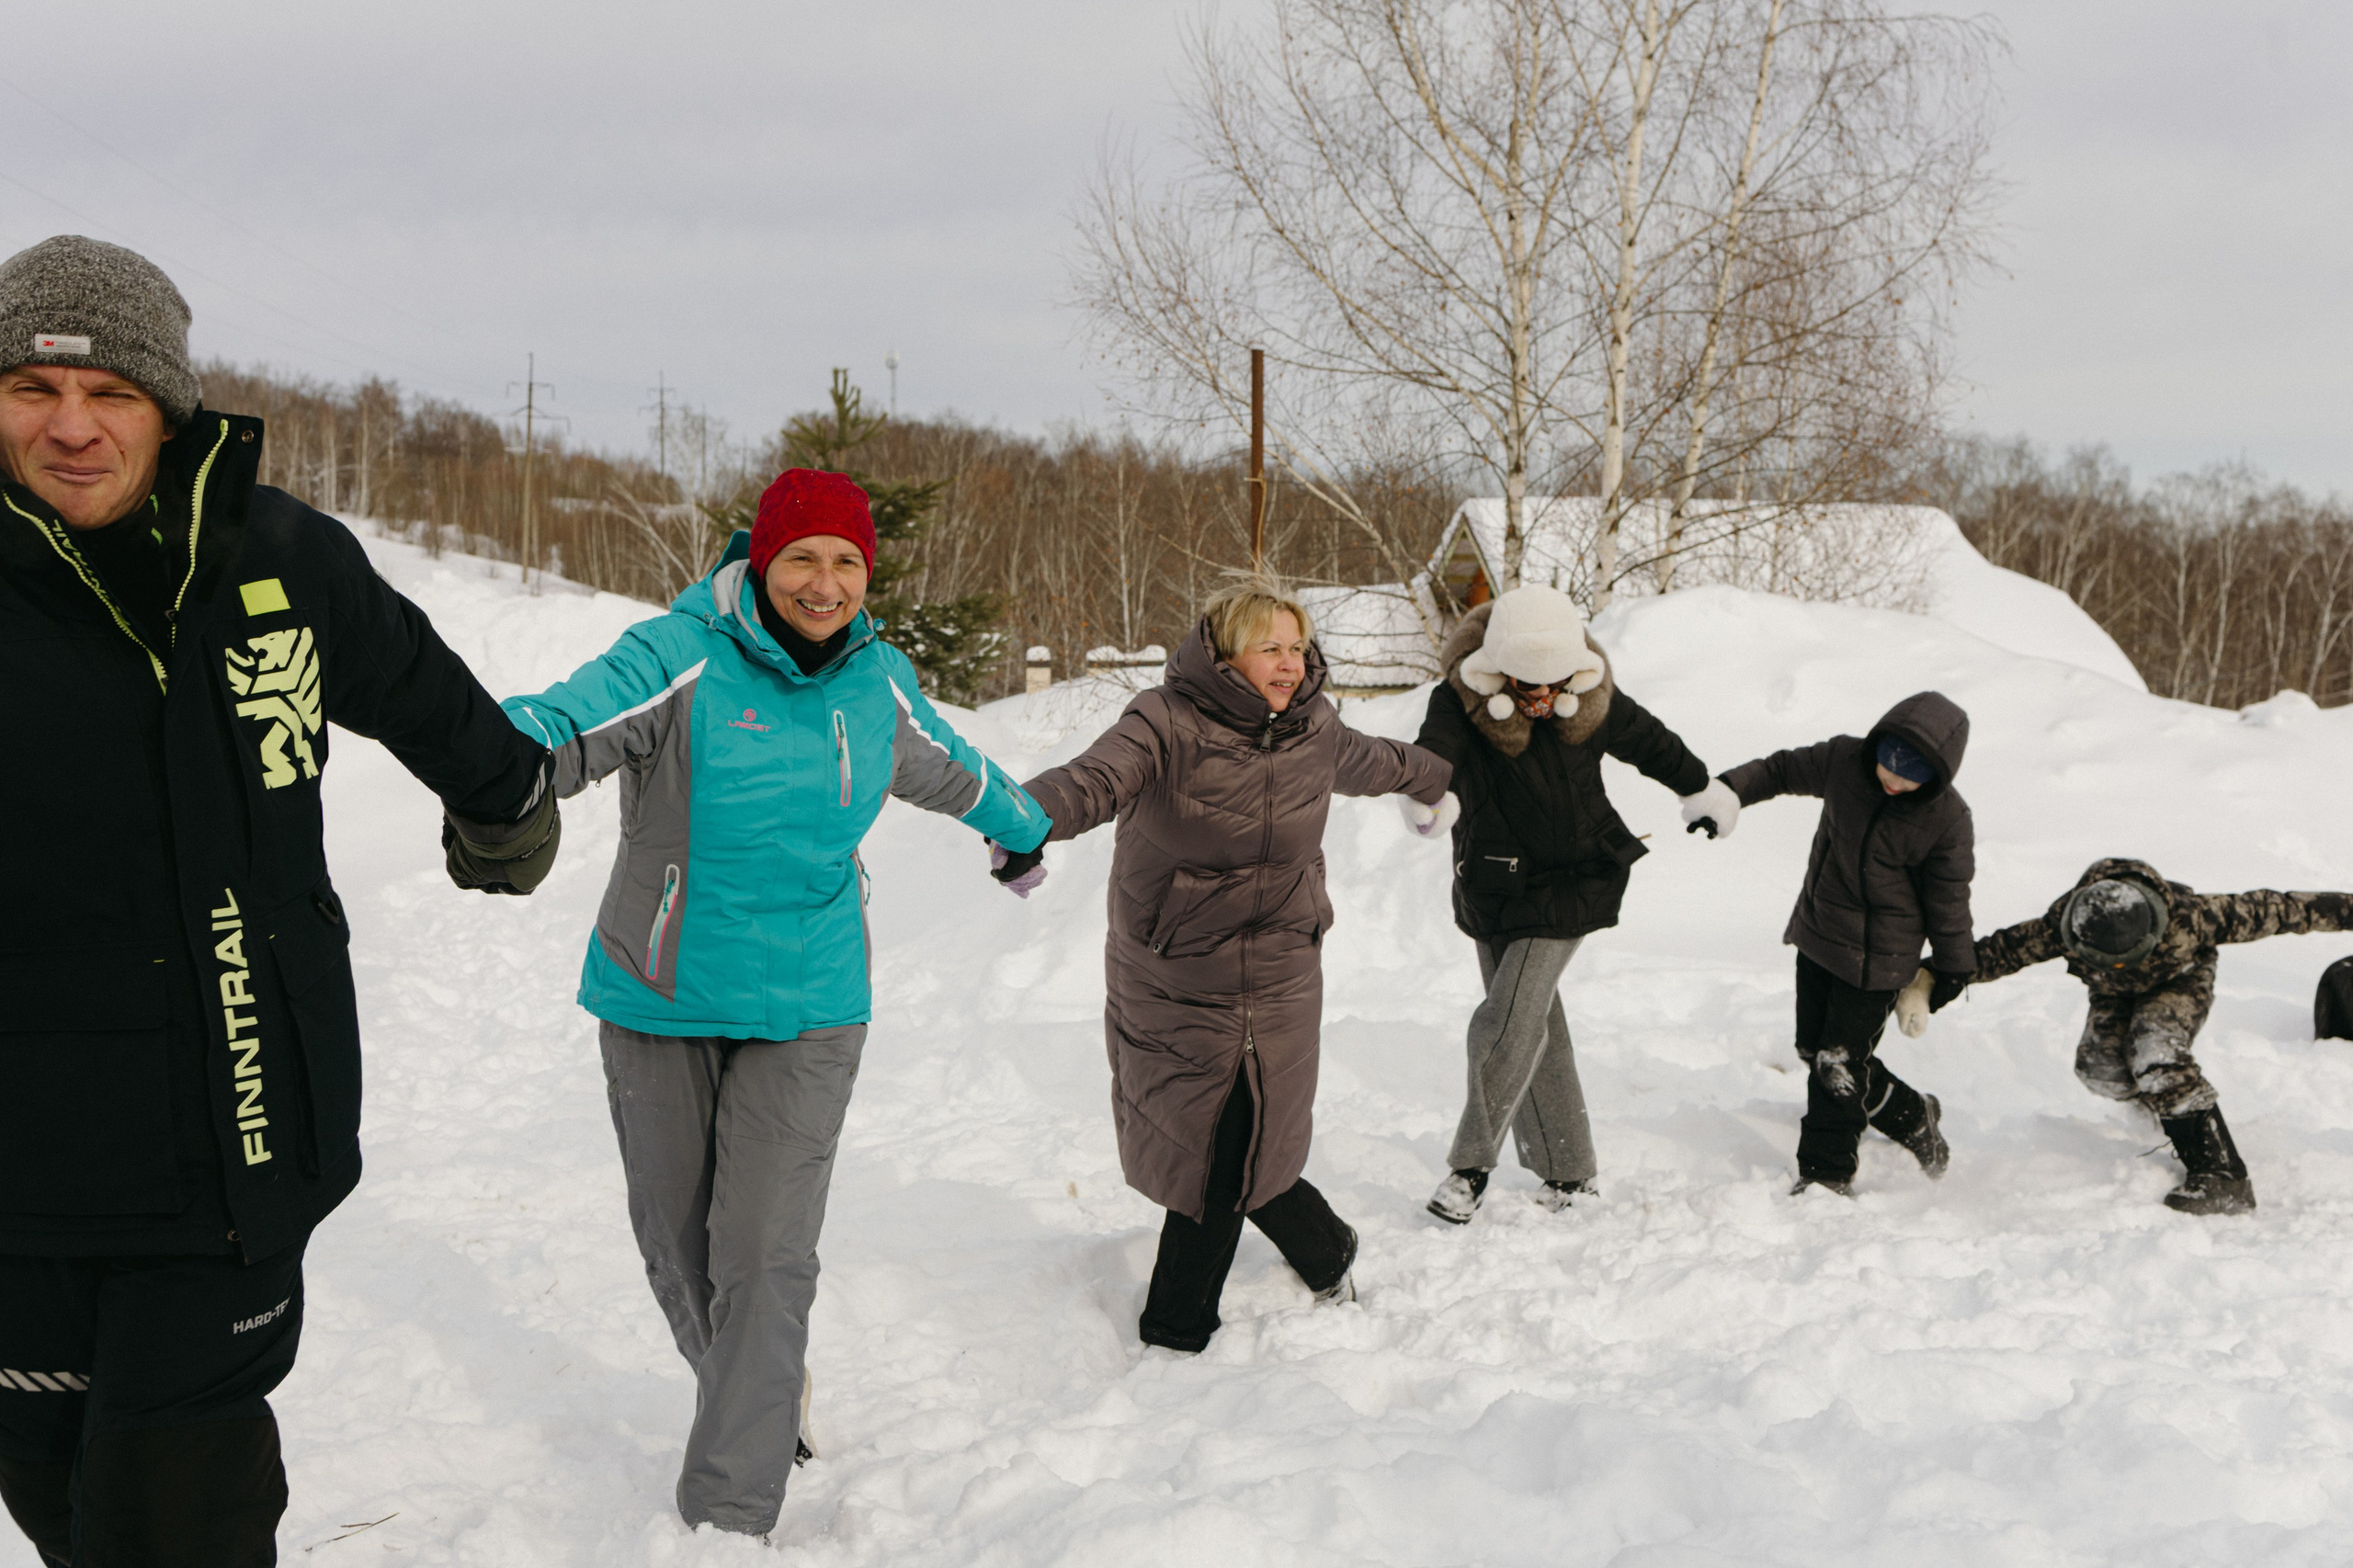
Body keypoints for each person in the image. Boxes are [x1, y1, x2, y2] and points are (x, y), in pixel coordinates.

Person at [0, 236, 560, 1568]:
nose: (72, 427)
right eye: (30, 386)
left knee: (171, 1520)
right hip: (18, 1163)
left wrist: (506, 802)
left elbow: (419, 686)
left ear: (169, 403)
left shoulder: (279, 556)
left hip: (236, 1134)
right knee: (65, 1494)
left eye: (112, 393)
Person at [500, 468, 1047, 1538]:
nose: (824, 580)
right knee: (679, 1243)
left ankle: (729, 1516)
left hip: (811, 1005)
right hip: (659, 991)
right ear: (759, 560)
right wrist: (479, 752)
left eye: (847, 561)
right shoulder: (678, 655)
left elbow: (951, 765)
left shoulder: (873, 680)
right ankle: (759, 1386)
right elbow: (560, 725)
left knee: (762, 1253)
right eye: (802, 556)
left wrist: (1019, 824)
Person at [1019, 583, 1449, 1353]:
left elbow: (1380, 762)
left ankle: (1280, 1273)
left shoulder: (1315, 726)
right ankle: (1193, 1321)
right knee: (1212, 1139)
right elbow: (1094, 779)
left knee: (1253, 1132)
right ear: (1224, 656)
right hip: (1177, 970)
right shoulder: (1166, 720)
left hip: (1283, 969)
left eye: (1296, 646)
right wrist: (1025, 820)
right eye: (1268, 647)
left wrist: (1437, 784)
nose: (1289, 664)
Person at [1412, 585, 1742, 1224]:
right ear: (1498, 666)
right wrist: (1426, 794)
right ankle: (1568, 1171)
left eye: (1554, 681)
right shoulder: (1458, 699)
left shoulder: (1592, 696)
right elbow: (1436, 753)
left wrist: (1702, 788)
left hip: (1574, 880)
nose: (1542, 698)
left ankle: (1469, 1168)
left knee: (1503, 1022)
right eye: (1527, 683)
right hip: (1492, 881)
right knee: (1536, 1027)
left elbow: (1653, 743)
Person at [1967, 858, 2353, 1214]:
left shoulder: (2193, 916)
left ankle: (2222, 1176)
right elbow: (2001, 952)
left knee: (2156, 1054)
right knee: (2099, 1070)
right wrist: (1929, 979)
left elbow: (2284, 909)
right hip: (2114, 991)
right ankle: (2164, 1105)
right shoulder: (2065, 924)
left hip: (2180, 978)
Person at [1718, 693, 1975, 1196]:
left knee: (1836, 1066)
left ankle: (1826, 1174)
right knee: (1815, 1051)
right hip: (1819, 935)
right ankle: (1913, 1114)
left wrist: (1952, 968)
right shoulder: (1844, 762)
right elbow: (1779, 770)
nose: (1893, 780)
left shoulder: (1947, 820)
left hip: (1880, 963)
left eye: (1911, 775)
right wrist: (1727, 792)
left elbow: (1949, 902)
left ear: (1938, 777)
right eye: (1889, 764)